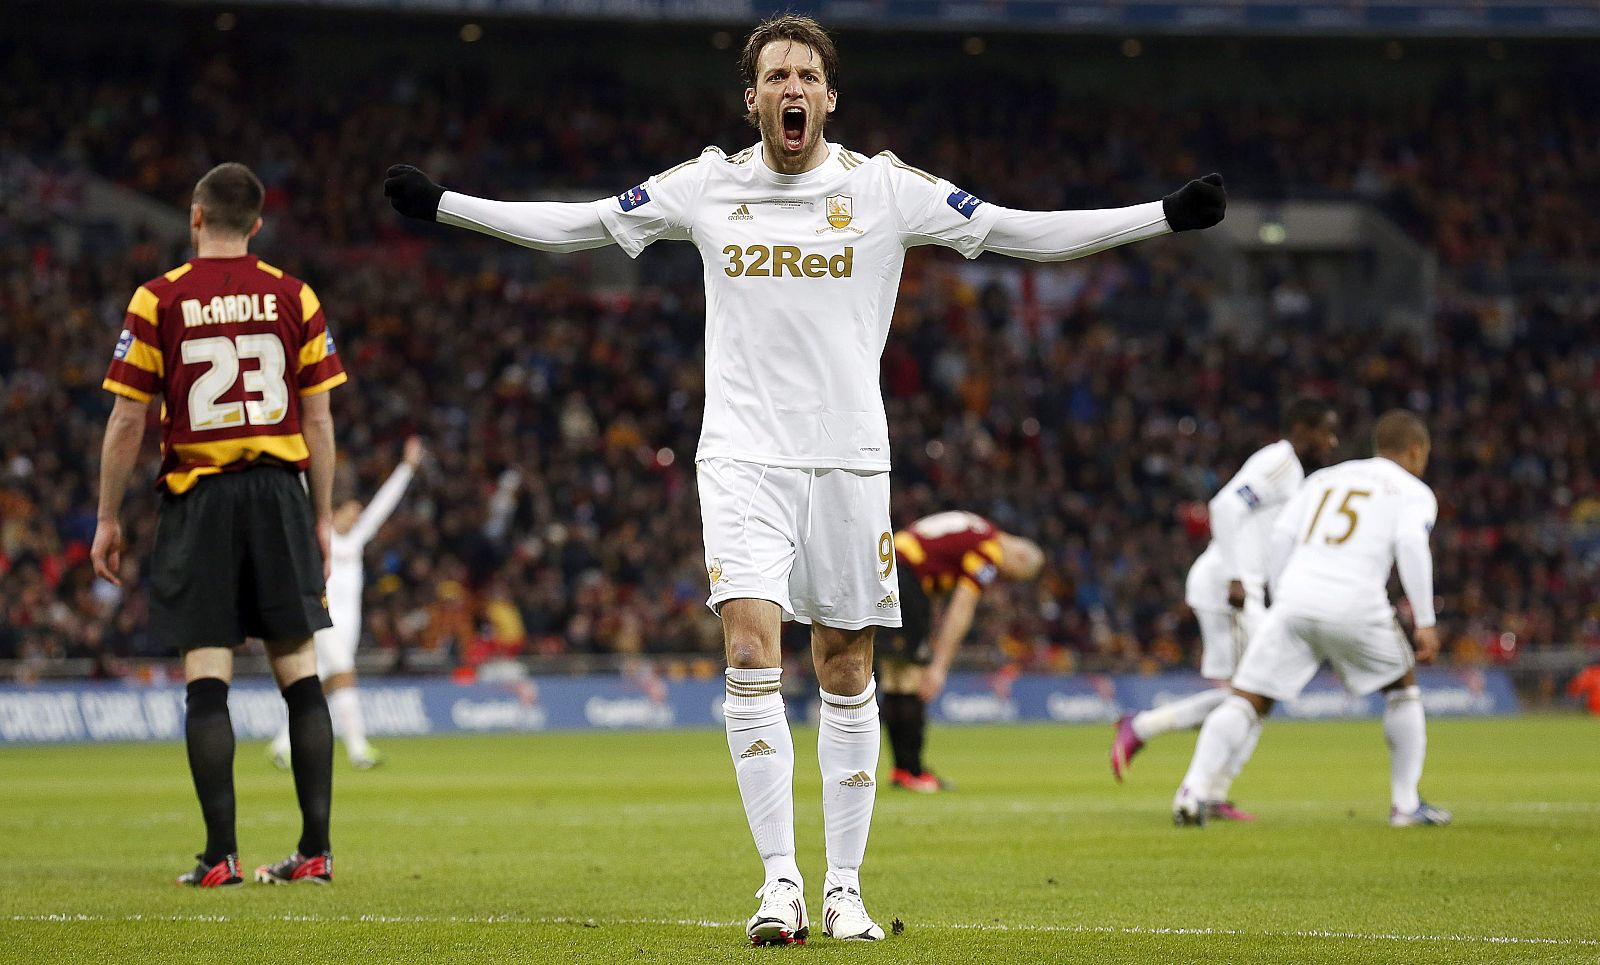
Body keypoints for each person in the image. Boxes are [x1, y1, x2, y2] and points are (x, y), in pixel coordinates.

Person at [383, 14, 1225, 943]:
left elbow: (1021, 233)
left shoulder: (885, 190)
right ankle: (779, 881)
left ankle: (845, 887)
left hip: (852, 460)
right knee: (750, 647)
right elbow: (579, 223)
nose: (792, 88)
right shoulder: (706, 184)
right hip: (741, 456)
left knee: (846, 665)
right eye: (776, 74)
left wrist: (1162, 215)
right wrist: (447, 205)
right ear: (752, 99)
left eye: (807, 75)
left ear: (828, 97)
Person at [92, 162, 346, 886]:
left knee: (208, 676)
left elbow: (127, 419)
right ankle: (316, 849)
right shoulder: (295, 295)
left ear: (196, 216)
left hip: (199, 495)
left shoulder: (158, 298)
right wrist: (321, 516)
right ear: (257, 225)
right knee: (301, 674)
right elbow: (321, 420)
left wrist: (109, 516)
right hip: (278, 491)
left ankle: (219, 857)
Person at [1171, 410, 1451, 829]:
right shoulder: (1413, 491)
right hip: (1357, 601)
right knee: (1402, 690)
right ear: (1416, 451)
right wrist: (1425, 621)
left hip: (1295, 598)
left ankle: (1192, 791)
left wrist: (1283, 595)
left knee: (1247, 699)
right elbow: (1411, 543)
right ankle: (1405, 805)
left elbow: (1283, 535)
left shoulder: (1325, 478)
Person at [1110, 398, 1339, 819]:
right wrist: (1237, 575)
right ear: (1303, 430)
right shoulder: (1281, 462)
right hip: (1229, 587)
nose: (1333, 441)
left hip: (1243, 588)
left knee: (1252, 695)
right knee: (1252, 694)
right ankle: (1155, 739)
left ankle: (1202, 780)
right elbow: (1225, 505)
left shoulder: (1294, 473)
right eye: (1326, 431)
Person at [270, 437, 425, 771]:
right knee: (343, 675)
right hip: (324, 621)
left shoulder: (354, 542)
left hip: (348, 628)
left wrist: (407, 468)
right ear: (335, 512)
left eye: (358, 516)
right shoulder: (319, 537)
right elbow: (304, 494)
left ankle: (282, 744)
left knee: (320, 687)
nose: (356, 521)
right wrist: (296, 458)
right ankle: (358, 749)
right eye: (350, 515)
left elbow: (383, 506)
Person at [878, 511, 1043, 792]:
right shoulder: (989, 551)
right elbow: (962, 608)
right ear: (1019, 558)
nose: (1002, 579)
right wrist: (940, 667)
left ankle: (903, 770)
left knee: (894, 677)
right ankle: (913, 772)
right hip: (906, 577)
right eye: (1010, 576)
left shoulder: (978, 527)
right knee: (911, 679)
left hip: (887, 564)